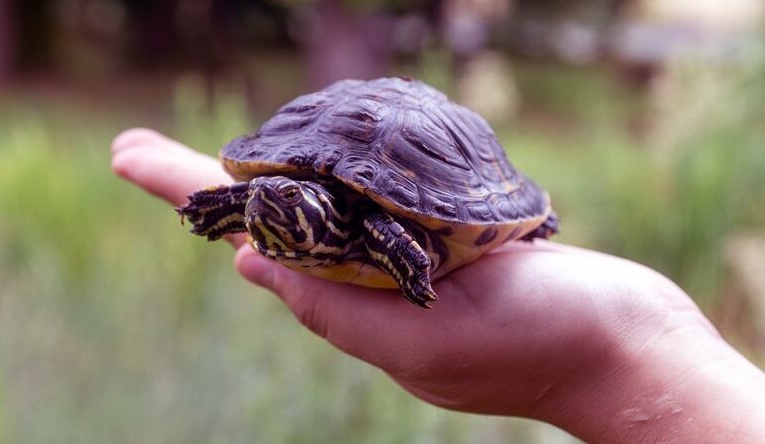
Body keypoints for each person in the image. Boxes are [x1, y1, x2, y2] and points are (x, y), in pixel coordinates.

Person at [111, 128, 765, 443]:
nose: (263, 206)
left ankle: (529, 214)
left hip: (429, 179)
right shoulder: (273, 200)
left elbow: (387, 226)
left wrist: (627, 346)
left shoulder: (376, 225)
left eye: (285, 202)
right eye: (262, 202)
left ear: (325, 211)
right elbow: (256, 192)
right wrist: (225, 203)